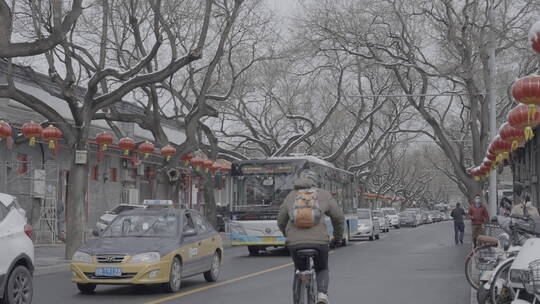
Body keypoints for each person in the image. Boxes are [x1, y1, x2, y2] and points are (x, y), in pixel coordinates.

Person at [278, 170, 344, 304]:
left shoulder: (291, 196)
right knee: (322, 268)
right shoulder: (324, 195)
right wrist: (337, 238)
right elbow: (338, 218)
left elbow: (281, 220)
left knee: (299, 269)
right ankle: (322, 295)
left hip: (295, 243)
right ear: (316, 182)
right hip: (320, 242)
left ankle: (297, 297)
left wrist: (288, 236)